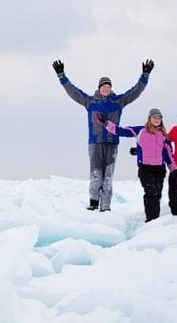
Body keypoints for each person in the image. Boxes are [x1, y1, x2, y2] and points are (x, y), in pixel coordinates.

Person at [52, 59, 154, 211]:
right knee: (96, 175)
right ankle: (93, 204)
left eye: (108, 86)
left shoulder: (119, 101)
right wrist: (62, 76)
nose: (106, 88)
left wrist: (144, 76)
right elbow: (73, 91)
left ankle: (105, 207)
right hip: (95, 143)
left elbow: (135, 91)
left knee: (107, 177)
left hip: (112, 143)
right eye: (103, 86)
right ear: (99, 88)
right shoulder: (90, 101)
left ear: (111, 88)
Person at [96, 108, 175, 221]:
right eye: (154, 117)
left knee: (157, 194)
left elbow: (169, 154)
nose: (157, 120)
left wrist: (174, 170)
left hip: (160, 169)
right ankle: (151, 220)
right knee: (151, 192)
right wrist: (106, 123)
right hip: (145, 169)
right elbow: (120, 131)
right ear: (149, 118)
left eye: (159, 118)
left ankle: (156, 220)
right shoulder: (140, 130)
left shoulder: (163, 135)